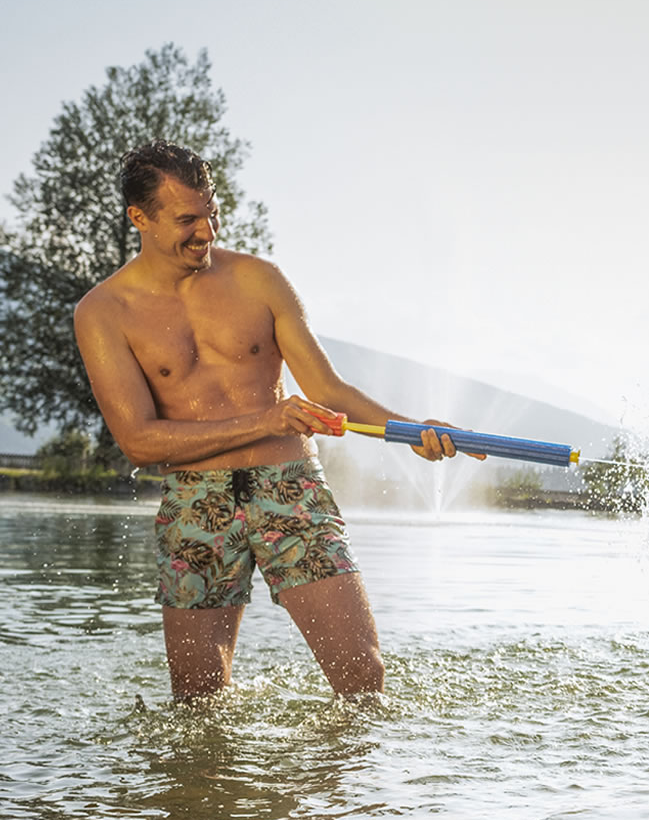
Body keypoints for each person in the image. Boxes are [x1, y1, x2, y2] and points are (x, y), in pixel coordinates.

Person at [73, 141, 473, 701]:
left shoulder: (260, 279)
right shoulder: (102, 311)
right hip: (195, 501)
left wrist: (412, 432)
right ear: (139, 218)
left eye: (212, 211)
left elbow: (328, 390)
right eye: (187, 219)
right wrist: (268, 420)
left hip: (290, 489)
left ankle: (344, 788)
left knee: (364, 678)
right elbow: (140, 442)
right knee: (198, 703)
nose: (207, 230)